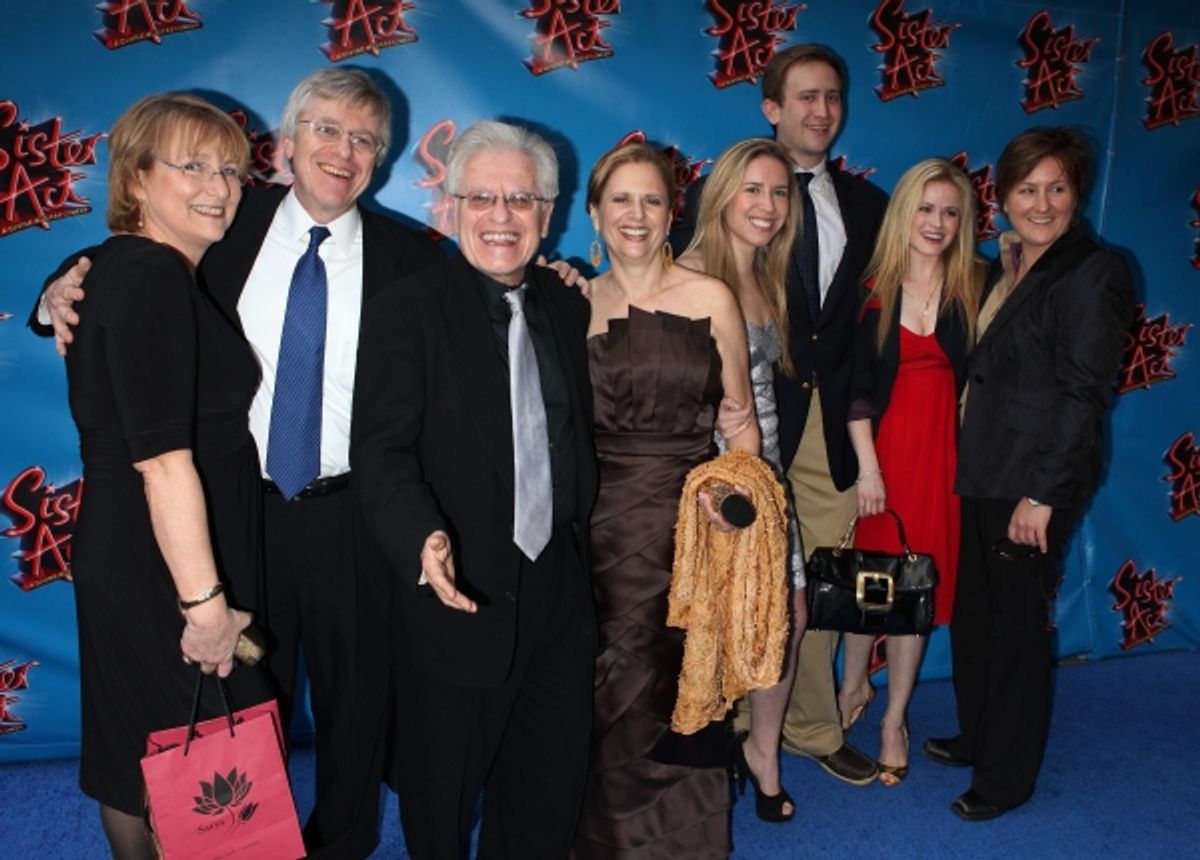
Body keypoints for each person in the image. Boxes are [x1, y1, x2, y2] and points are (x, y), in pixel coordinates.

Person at [34, 69, 442, 859]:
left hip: (348, 515)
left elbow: (482, 319)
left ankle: (339, 844)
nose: (342, 151)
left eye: (363, 139)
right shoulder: (226, 223)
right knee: (222, 720)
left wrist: (565, 285)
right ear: (288, 145)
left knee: (357, 707)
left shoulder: (414, 262)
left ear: (382, 160)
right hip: (225, 521)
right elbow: (123, 265)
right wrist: (56, 294)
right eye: (325, 129)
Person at [352, 120, 598, 860]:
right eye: (482, 197)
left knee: (548, 794)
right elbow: (382, 451)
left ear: (548, 215)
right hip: (455, 595)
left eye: (521, 199)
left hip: (559, 591)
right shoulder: (408, 310)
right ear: (449, 207)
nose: (501, 216)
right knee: (441, 803)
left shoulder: (568, 304)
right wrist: (421, 537)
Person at [58, 93, 272, 859]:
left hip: (133, 547)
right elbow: (163, 460)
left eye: (231, 170)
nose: (219, 186)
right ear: (138, 179)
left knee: (140, 757)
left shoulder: (120, 268)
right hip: (165, 561)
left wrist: (50, 297)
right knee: (196, 762)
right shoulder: (150, 276)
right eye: (193, 166)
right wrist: (205, 606)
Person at [682, 43, 889, 786]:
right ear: (772, 108)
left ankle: (810, 727)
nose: (820, 110)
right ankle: (729, 727)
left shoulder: (869, 206)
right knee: (734, 586)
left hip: (826, 428)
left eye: (832, 96)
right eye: (804, 96)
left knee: (815, 592)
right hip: (741, 431)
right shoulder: (730, 193)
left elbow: (871, 326)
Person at [922, 127, 1135, 820]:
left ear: (1077, 194)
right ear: (1002, 196)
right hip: (984, 470)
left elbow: (1083, 395)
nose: (1041, 203)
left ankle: (1006, 779)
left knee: (1015, 630)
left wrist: (1042, 496)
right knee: (978, 622)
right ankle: (978, 736)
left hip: (1034, 483)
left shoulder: (1092, 271)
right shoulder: (1006, 263)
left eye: (1057, 188)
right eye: (1026, 189)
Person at [573, 141, 758, 859]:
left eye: (652, 199)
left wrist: (736, 502)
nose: (637, 214)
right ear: (593, 212)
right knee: (599, 689)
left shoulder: (711, 297)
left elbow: (739, 420)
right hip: (597, 530)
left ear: (673, 211)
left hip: (690, 524)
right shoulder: (575, 301)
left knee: (681, 682)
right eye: (620, 199)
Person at [839, 158, 981, 786]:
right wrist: (869, 469)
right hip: (882, 453)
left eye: (951, 212)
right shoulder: (872, 286)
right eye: (926, 208)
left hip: (940, 462)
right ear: (903, 213)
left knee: (913, 593)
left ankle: (893, 717)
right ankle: (850, 687)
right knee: (869, 588)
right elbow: (855, 388)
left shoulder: (976, 286)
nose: (938, 222)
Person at [676, 137, 806, 821]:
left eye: (779, 192)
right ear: (722, 193)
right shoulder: (693, 274)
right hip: (721, 482)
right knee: (721, 624)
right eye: (752, 190)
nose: (767, 205)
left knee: (786, 615)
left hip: (769, 473)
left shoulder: (770, 275)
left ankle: (762, 749)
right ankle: (707, 759)